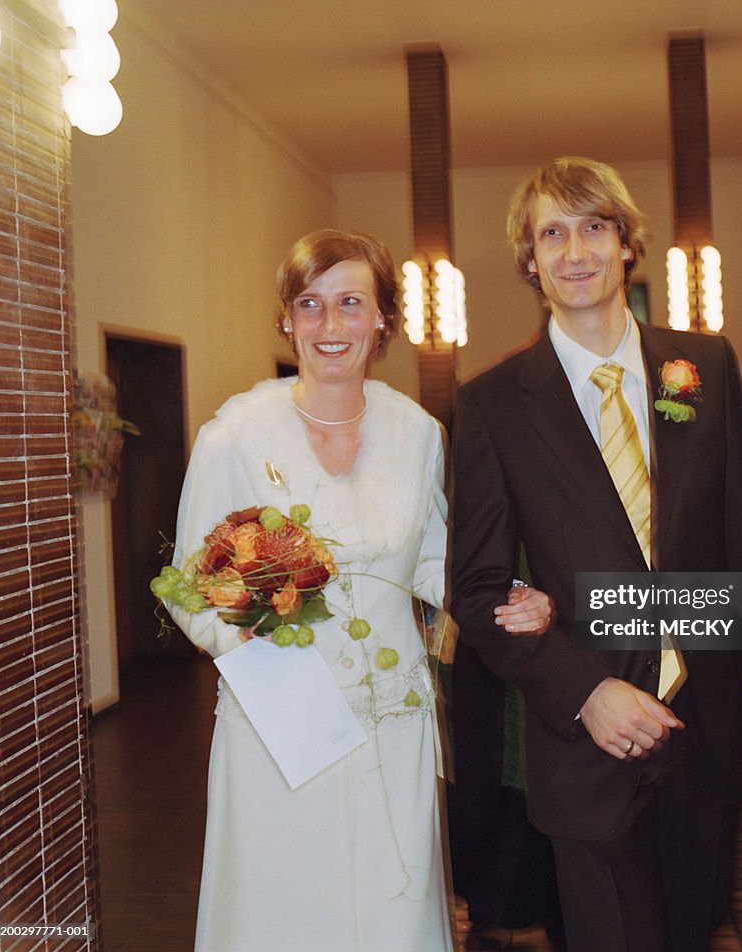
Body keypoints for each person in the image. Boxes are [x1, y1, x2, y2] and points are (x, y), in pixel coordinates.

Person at [449, 158, 742, 952]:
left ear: (626, 245)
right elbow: (477, 591)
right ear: (530, 258)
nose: (574, 250)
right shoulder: (492, 405)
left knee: (696, 933)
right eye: (552, 233)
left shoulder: (699, 371)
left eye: (593, 227)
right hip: (586, 743)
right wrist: (587, 692)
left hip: (708, 726)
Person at [166, 229, 553, 952]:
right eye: (310, 305)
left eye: (350, 303)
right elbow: (193, 583)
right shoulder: (236, 436)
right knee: (284, 903)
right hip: (279, 715)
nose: (330, 325)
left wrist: (518, 595)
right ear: (287, 319)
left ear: (382, 321)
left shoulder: (418, 434)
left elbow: (441, 562)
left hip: (391, 714)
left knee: (390, 904)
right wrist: (244, 633)